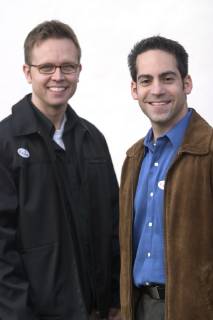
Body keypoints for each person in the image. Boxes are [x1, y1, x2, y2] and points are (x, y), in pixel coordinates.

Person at [0, 20, 121, 320]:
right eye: (47, 68)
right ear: (28, 72)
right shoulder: (5, 142)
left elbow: (114, 226)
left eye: (68, 66)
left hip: (98, 312)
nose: (58, 76)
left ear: (79, 70)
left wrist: (117, 299)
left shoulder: (93, 139)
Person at [119, 35, 213, 320]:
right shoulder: (134, 159)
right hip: (140, 308)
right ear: (135, 89)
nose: (157, 90)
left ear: (187, 83)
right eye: (146, 80)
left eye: (167, 78)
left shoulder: (208, 152)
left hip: (195, 311)